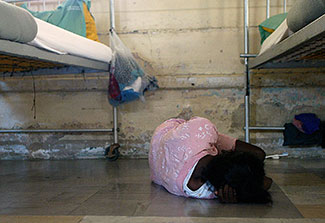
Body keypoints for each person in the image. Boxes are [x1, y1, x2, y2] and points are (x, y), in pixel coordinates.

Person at [149, 116, 273, 204]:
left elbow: (266, 182)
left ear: (226, 153)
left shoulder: (204, 128)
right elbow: (266, 183)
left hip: (166, 130)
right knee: (259, 155)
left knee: (258, 155)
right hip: (160, 157)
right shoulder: (206, 193)